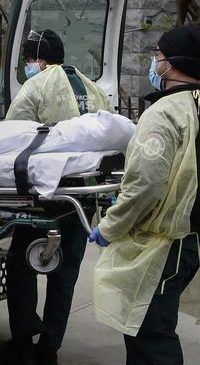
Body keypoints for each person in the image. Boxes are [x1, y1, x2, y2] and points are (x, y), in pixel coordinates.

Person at [0, 29, 115, 365]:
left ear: (39, 60)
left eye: (29, 60)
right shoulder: (93, 87)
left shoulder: (37, 85)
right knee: (65, 272)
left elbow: (10, 136)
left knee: (21, 266)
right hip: (83, 196)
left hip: (46, 195)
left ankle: (21, 345)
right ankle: (49, 349)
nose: (28, 66)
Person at [89, 25, 200, 365]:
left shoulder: (166, 113)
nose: (156, 62)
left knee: (151, 333)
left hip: (163, 246)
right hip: (190, 240)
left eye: (159, 56)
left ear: (173, 62)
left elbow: (145, 185)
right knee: (153, 327)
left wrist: (110, 227)